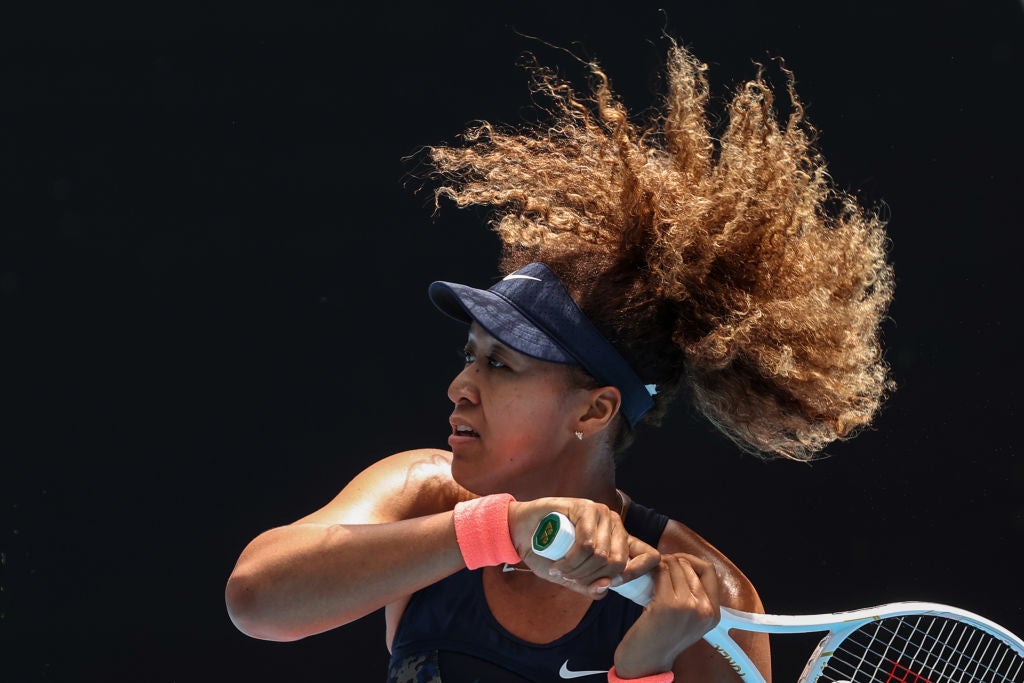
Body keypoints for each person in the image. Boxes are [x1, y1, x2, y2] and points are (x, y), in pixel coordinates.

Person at [225, 40, 894, 682]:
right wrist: (501, 530)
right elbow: (256, 599)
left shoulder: (709, 598)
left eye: (502, 366)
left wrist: (639, 670)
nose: (461, 385)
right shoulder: (424, 494)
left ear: (594, 407)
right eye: (471, 356)